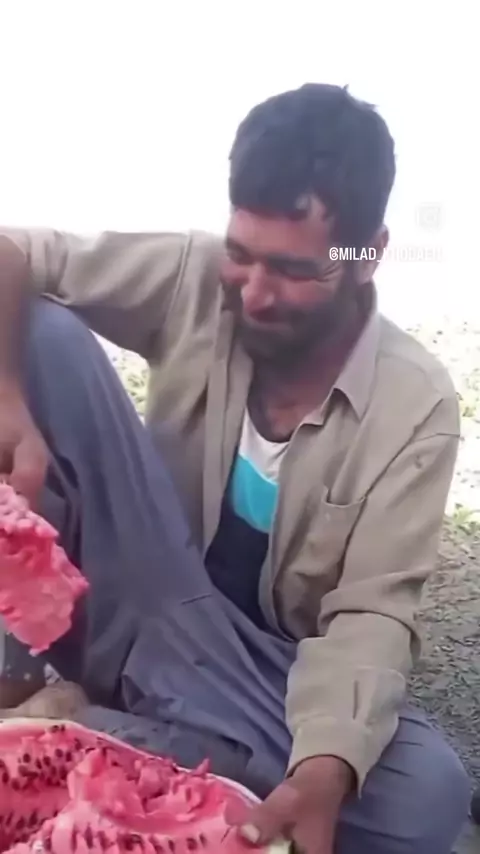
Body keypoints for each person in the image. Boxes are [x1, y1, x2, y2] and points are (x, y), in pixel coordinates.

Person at [0, 83, 470, 854]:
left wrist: (324, 767)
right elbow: (11, 251)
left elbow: (370, 616)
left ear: (366, 255)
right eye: (241, 255)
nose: (253, 292)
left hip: (252, 674)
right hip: (127, 594)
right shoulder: (193, 276)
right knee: (38, 333)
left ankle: (83, 726)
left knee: (427, 795)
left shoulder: (415, 403)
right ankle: (81, 711)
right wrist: (8, 397)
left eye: (290, 269)